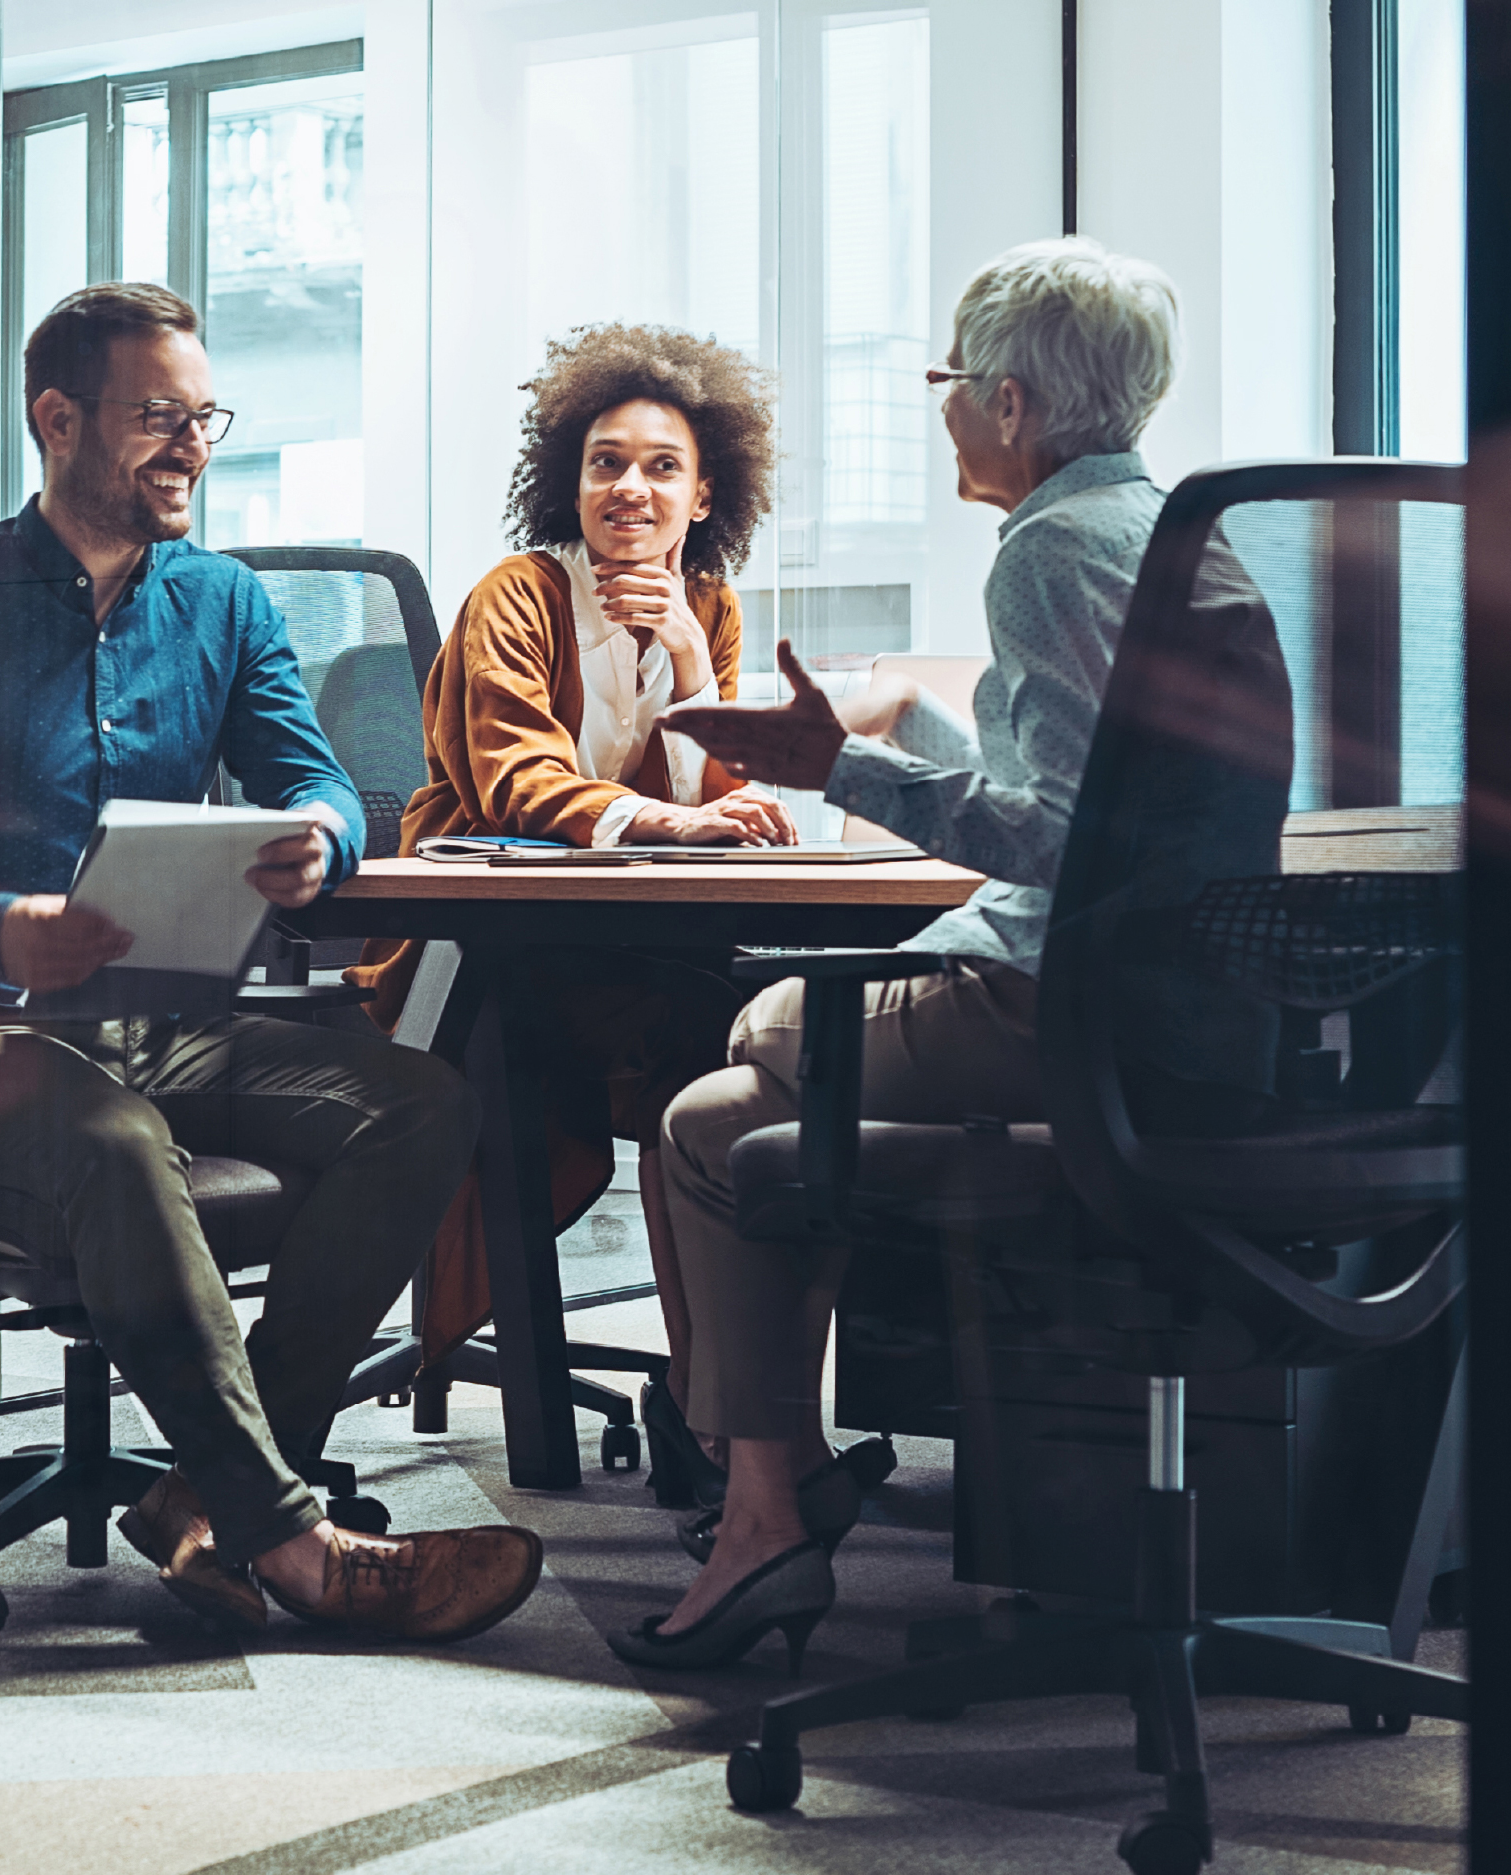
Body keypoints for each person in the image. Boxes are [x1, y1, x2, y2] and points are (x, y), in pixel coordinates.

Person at [0, 281, 540, 1645]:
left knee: (420, 1101)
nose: (192, 445)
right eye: (159, 418)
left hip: (162, 1020)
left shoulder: (225, 604)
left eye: (205, 417)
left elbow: (315, 777)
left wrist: (318, 839)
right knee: (119, 1139)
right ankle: (298, 1543)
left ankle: (207, 1493)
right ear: (57, 420)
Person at [617, 237, 1292, 1669]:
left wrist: (832, 772)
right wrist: (885, 731)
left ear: (1004, 399)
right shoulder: (1173, 533)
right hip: (1187, 1024)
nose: (937, 410)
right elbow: (1109, 798)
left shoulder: (1048, 544)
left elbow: (1053, 840)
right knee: (717, 1126)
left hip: (1062, 1008)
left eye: (941, 380)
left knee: (759, 1037)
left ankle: (768, 1503)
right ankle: (762, 1510)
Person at [345, 322, 791, 1484]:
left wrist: (694, 671)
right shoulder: (519, 595)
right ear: (568, 480)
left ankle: (711, 1409)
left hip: (621, 943)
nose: (629, 488)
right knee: (680, 1045)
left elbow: (722, 792)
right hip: (475, 946)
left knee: (722, 1060)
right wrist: (670, 820)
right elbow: (514, 778)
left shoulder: (711, 606)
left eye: (660, 467)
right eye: (604, 462)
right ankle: (707, 1419)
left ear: (705, 495)